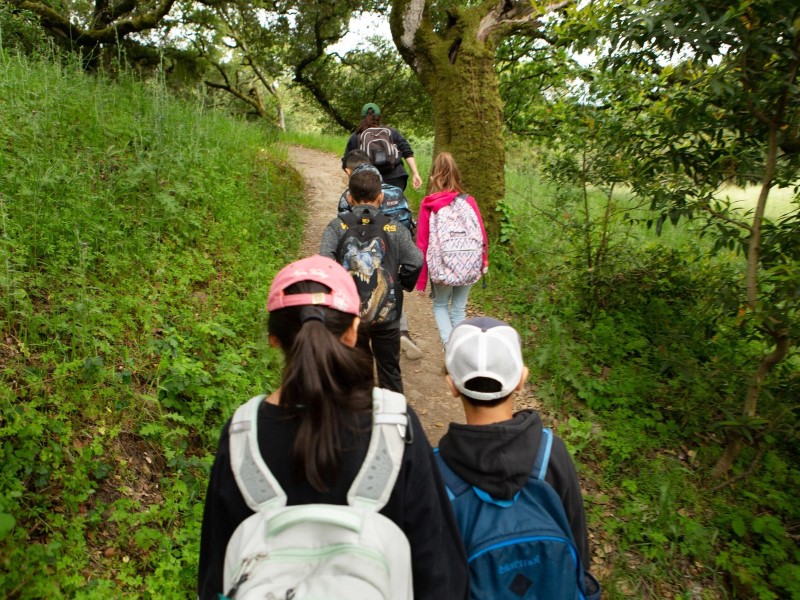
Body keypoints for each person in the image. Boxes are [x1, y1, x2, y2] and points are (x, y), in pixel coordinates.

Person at [197, 255, 469, 600]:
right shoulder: (396, 426)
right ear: (354, 331)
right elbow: (439, 572)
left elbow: (216, 575)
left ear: (274, 339)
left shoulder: (241, 434)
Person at [437, 316, 600, 599]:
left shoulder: (437, 472)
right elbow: (578, 546)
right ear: (521, 380)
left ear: (451, 385)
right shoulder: (552, 453)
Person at [321, 166, 423, 392]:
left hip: (349, 315)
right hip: (387, 313)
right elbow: (416, 261)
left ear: (349, 197)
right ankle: (394, 420)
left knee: (356, 370)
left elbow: (325, 265)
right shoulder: (394, 228)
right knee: (389, 369)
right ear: (381, 197)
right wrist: (401, 283)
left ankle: (360, 418)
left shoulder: (337, 226)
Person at [340, 150, 422, 360]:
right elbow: (414, 258)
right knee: (389, 285)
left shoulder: (351, 192)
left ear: (350, 170)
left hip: (364, 248)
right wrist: (403, 281)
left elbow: (342, 227)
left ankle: (362, 335)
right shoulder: (393, 191)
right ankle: (401, 332)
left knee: (368, 287)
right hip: (395, 244)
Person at [415, 152, 489, 346]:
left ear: (433, 177)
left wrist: (421, 280)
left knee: (440, 305)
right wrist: (483, 262)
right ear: (456, 176)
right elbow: (482, 234)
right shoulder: (468, 200)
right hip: (469, 262)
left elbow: (422, 243)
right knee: (458, 310)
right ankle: (462, 350)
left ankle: (450, 348)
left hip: (443, 266)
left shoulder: (429, 204)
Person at [342, 103, 422, 191]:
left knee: (371, 204)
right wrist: (415, 174)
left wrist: (355, 178)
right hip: (396, 177)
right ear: (379, 117)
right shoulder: (391, 132)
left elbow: (346, 161)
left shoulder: (356, 136)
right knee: (395, 203)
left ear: (362, 118)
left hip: (369, 180)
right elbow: (407, 152)